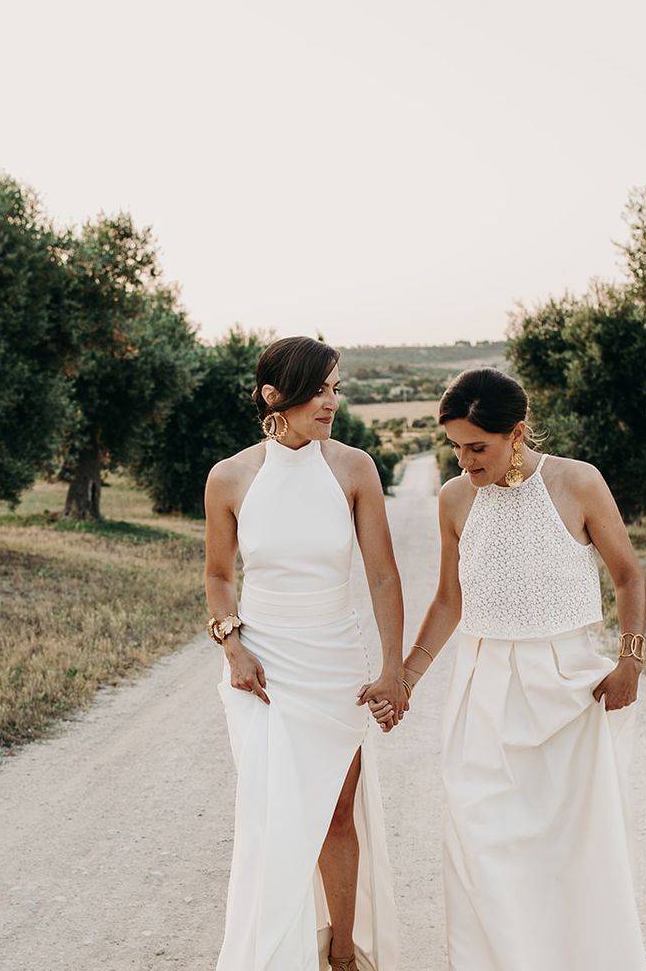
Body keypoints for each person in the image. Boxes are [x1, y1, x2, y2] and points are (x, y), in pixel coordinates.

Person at [387, 367, 646, 971]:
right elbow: (450, 601)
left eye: (476, 447)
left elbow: (628, 574)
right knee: (480, 843)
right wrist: (407, 677)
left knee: (569, 852)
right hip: (484, 688)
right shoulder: (454, 498)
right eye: (454, 446)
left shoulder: (578, 483)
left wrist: (630, 659)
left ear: (517, 432)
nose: (464, 460)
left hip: (567, 688)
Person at [205, 336, 406, 971]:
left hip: (335, 660)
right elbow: (217, 575)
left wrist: (394, 667)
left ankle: (341, 954)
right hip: (265, 665)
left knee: (338, 811)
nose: (331, 401)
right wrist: (233, 647)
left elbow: (382, 575)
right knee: (277, 813)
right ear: (274, 396)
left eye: (334, 388)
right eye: (318, 390)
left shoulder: (354, 468)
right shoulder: (230, 477)